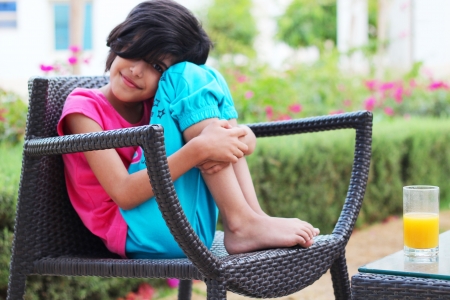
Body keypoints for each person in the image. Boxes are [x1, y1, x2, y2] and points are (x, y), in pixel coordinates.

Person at [57, 0, 319, 259]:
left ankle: (252, 218)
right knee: (187, 77)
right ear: (120, 39)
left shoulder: (158, 101)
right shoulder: (83, 109)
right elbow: (124, 193)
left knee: (206, 76)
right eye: (135, 50)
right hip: (136, 232)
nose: (137, 70)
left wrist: (238, 139)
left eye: (157, 67)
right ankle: (240, 222)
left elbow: (218, 140)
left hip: (186, 225)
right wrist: (200, 148)